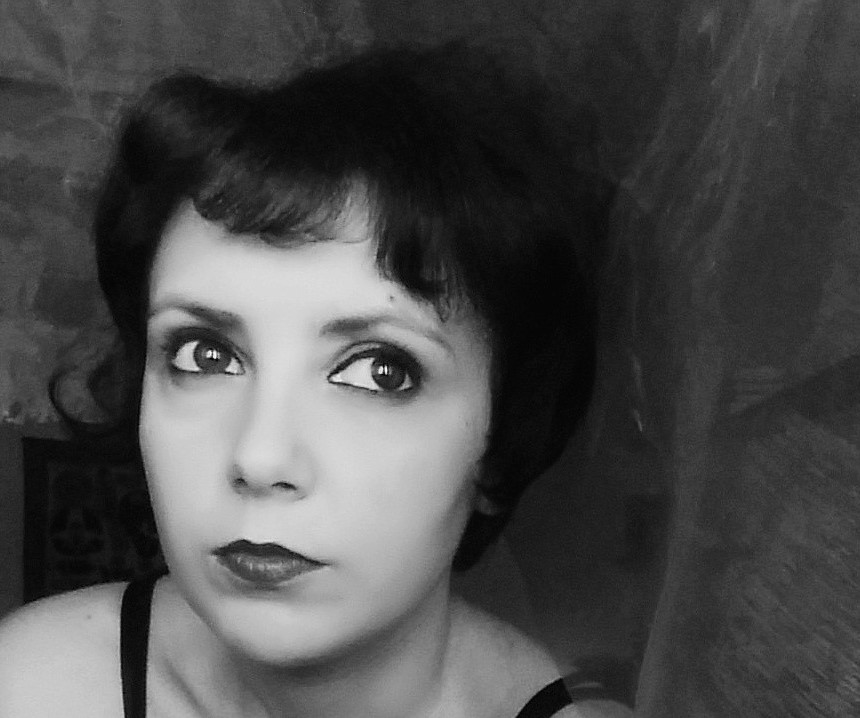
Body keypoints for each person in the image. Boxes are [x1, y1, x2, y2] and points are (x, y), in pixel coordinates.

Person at [0, 44, 609, 717]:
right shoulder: (30, 689)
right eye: (205, 356)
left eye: (380, 372)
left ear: (502, 441)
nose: (260, 459)